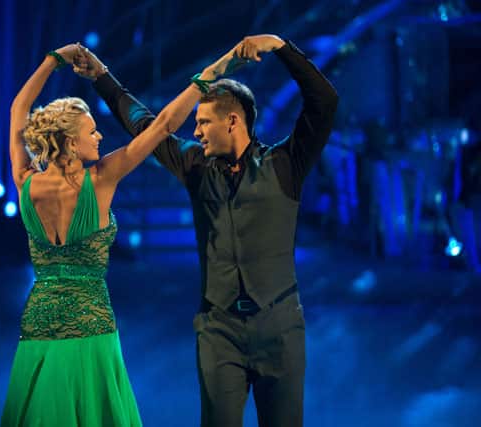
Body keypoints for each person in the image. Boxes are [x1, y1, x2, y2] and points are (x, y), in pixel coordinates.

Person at [76, 34, 339, 426]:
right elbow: (145, 125)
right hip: (219, 331)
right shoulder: (194, 165)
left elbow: (324, 102)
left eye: (203, 123)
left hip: (280, 328)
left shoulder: (286, 163)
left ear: (232, 121)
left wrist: (279, 46)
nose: (195, 131)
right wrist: (102, 76)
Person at [1, 42, 240, 426]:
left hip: (38, 326)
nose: (99, 137)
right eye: (92, 132)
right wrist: (208, 77)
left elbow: (18, 110)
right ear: (70, 142)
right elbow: (163, 126)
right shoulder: (101, 179)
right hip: (91, 325)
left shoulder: (24, 182)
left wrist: (52, 60)